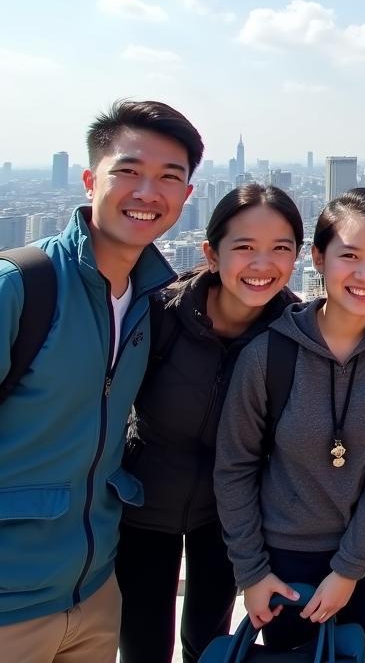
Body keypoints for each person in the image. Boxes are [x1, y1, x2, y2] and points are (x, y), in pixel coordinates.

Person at [0, 99, 203, 663]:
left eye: (169, 177)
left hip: (94, 598)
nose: (147, 193)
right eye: (128, 172)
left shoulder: (153, 301)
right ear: (91, 180)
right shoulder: (19, 288)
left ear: (187, 197)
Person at [214, 189, 365, 663]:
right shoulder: (268, 355)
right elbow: (234, 468)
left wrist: (350, 569)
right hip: (284, 557)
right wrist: (251, 574)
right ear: (317, 257)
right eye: (348, 256)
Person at [115, 184, 303, 663]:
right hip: (143, 503)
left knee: (208, 638)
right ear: (211, 254)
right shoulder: (161, 314)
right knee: (142, 640)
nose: (263, 265)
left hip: (229, 513)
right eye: (244, 247)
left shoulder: (295, 333)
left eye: (281, 249)